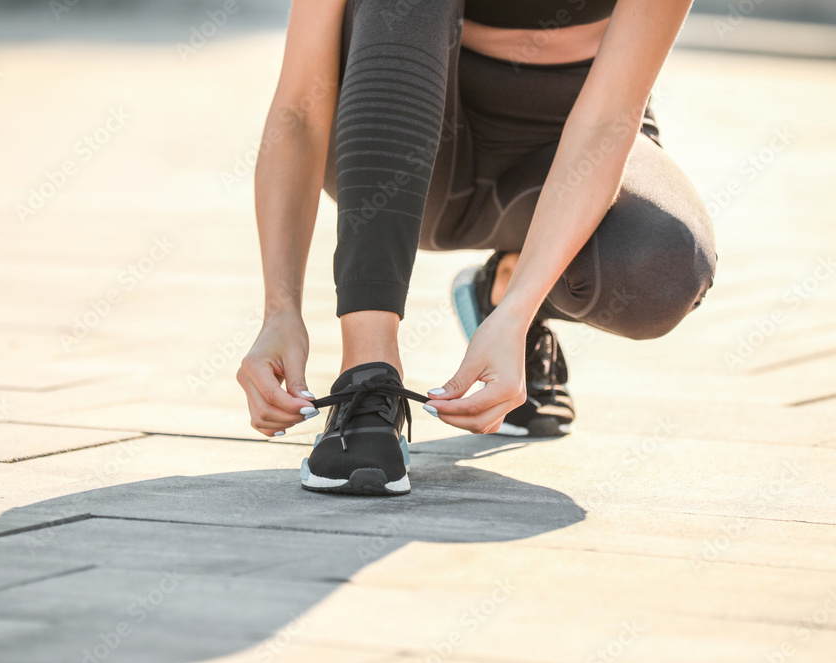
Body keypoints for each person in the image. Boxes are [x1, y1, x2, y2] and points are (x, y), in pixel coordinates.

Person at [236, 0, 716, 496]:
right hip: (402, 142)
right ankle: (367, 376)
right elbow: (298, 109)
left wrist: (518, 311)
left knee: (664, 267)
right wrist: (280, 310)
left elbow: (606, 122)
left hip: (569, 148)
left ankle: (507, 287)